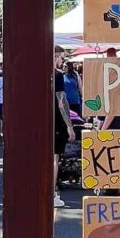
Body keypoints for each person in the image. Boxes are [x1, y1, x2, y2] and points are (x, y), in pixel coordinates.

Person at [53, 46, 76, 208]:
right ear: (54, 57)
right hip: (57, 122)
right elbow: (62, 102)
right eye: (60, 57)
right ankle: (52, 193)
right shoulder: (58, 76)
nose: (61, 60)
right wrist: (70, 126)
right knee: (54, 158)